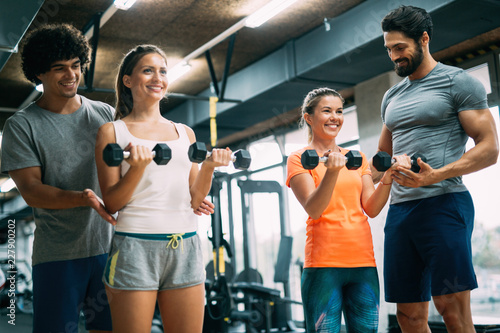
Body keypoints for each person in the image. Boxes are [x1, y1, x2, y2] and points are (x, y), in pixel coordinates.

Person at [375, 5, 499, 332]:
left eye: (400, 48)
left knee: (451, 309)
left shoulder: (458, 82)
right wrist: (337, 171)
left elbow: (489, 149)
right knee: (408, 315)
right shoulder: (391, 97)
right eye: (389, 49)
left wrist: (435, 175)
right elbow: (381, 160)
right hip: (401, 211)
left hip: (444, 203)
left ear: (424, 39)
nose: (394, 56)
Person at [95, 44, 232, 333]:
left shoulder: (185, 133)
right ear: (128, 80)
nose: (158, 77)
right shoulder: (112, 132)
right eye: (148, 70)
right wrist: (138, 168)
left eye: (162, 71)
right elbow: (112, 203)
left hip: (187, 245)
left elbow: (196, 198)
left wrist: (209, 167)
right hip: (134, 247)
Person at [0, 24, 116, 332]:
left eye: (76, 66)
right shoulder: (22, 126)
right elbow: (32, 191)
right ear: (39, 72)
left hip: (110, 251)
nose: (71, 75)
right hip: (58, 257)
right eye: (59, 68)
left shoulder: (105, 114)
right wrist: (83, 198)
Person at [286, 87, 403, 332]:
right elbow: (314, 208)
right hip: (323, 266)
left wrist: (389, 177)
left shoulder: (356, 158)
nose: (334, 117)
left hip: (363, 264)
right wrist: (332, 171)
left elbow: (371, 208)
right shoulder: (299, 159)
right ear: (309, 117)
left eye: (339, 111)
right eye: (326, 111)